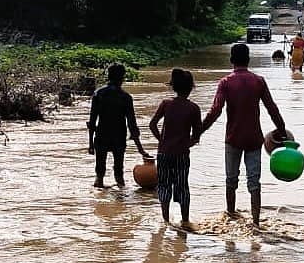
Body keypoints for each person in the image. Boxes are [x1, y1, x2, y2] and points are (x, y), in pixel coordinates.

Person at [201, 43, 288, 226]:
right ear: (248, 60)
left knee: (231, 180)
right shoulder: (258, 81)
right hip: (254, 139)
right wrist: (282, 131)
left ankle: (230, 217)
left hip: (233, 138)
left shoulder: (225, 83)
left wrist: (198, 131)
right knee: (254, 182)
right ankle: (256, 223)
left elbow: (215, 111)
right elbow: (272, 109)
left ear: (231, 60)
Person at [149, 68, 202, 227]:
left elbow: (152, 125)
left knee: (164, 185)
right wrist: (188, 144)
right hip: (181, 154)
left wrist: (161, 140)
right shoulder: (193, 108)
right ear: (191, 87)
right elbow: (197, 135)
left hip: (164, 153)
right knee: (182, 186)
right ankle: (185, 221)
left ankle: (165, 221)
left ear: (173, 86)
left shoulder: (166, 104)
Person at [88, 63, 151, 188]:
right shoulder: (125, 97)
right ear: (122, 77)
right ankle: (121, 201)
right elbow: (132, 126)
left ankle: (99, 202)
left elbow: (92, 122)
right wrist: (140, 149)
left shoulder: (98, 94)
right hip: (118, 138)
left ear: (108, 76)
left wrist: (90, 144)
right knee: (119, 175)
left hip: (101, 136)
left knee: (99, 174)